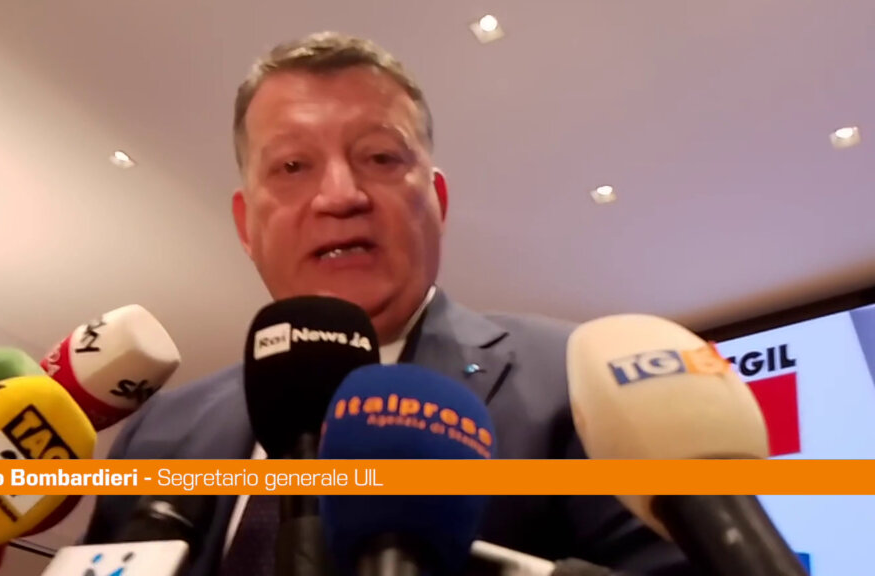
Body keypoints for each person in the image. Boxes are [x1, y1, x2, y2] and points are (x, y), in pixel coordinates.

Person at [82, 31, 699, 576]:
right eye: (293, 166)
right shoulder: (161, 433)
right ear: (246, 226)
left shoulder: (578, 382)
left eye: (380, 157)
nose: (340, 195)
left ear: (438, 202)